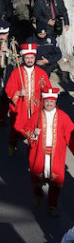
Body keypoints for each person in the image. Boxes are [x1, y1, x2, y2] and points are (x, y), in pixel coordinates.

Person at [22, 88, 74, 216]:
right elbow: (26, 128)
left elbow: (71, 136)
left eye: (51, 101)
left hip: (56, 155)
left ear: (55, 101)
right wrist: (33, 133)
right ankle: (37, 195)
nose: (49, 103)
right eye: (47, 101)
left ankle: (52, 205)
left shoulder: (63, 117)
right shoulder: (36, 115)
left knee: (56, 180)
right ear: (43, 101)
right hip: (39, 153)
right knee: (37, 175)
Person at [4, 42, 51, 156]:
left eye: (31, 58)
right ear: (23, 58)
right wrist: (19, 93)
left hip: (35, 107)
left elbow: (48, 89)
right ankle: (12, 144)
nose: (29, 60)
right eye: (27, 58)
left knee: (36, 130)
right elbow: (8, 89)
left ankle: (33, 151)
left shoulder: (42, 73)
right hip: (21, 106)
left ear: (35, 58)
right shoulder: (16, 73)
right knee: (16, 128)